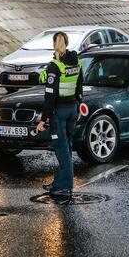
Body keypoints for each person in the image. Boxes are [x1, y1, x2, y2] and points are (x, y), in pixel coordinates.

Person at [36, 32, 83, 196]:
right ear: (67, 43)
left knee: (61, 148)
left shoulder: (55, 66)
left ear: (54, 44)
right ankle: (59, 182)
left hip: (59, 112)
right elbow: (79, 87)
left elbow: (50, 96)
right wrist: (78, 106)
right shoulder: (77, 62)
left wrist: (42, 120)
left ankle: (65, 186)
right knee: (68, 147)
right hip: (72, 109)